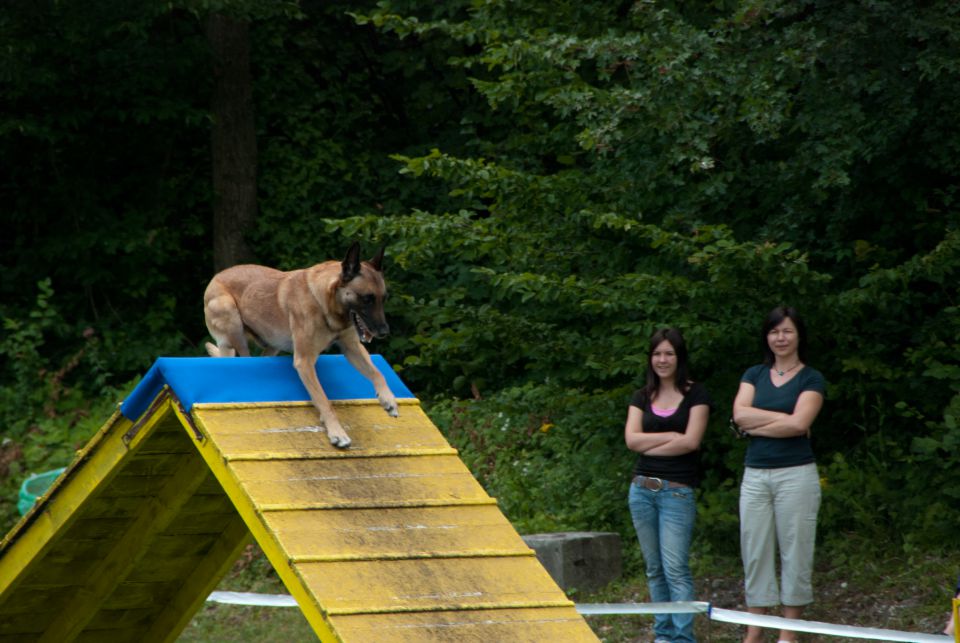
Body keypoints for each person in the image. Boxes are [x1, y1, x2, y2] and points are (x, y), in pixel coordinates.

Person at [732, 306, 825, 643]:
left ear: (798, 335)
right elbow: (738, 415)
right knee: (754, 551)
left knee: (796, 550)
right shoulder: (753, 374)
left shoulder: (811, 378)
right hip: (755, 475)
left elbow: (800, 423)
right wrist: (780, 421)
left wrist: (757, 423)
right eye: (774, 331)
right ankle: (754, 632)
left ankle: (789, 633)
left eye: (787, 331)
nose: (780, 338)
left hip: (796, 475)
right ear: (766, 336)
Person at [625, 328, 712, 643]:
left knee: (675, 569)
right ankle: (663, 636)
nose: (663, 359)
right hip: (641, 491)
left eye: (669, 353)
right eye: (657, 353)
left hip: (677, 492)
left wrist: (654, 443)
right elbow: (631, 440)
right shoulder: (641, 396)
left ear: (679, 357)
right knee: (654, 569)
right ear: (650, 358)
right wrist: (670, 437)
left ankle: (682, 638)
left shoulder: (696, 394)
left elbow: (691, 442)